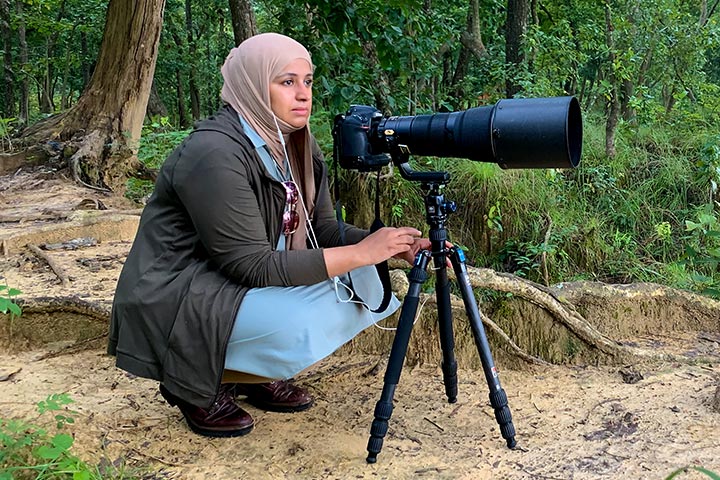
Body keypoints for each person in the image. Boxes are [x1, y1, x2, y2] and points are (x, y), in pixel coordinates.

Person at [108, 32, 430, 438]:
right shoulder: (214, 153)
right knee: (302, 319)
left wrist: (392, 246)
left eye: (308, 81)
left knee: (368, 287)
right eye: (286, 82)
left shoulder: (295, 142)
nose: (303, 94)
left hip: (231, 279)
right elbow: (251, 264)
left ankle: (251, 372)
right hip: (179, 291)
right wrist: (364, 252)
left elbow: (323, 229)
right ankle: (196, 383)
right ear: (253, 86)